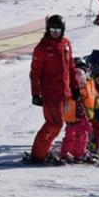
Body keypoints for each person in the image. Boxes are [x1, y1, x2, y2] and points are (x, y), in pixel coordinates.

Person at [25, 14, 77, 164]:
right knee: (54, 124)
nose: (55, 32)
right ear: (48, 29)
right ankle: (38, 154)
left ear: (63, 30)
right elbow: (34, 73)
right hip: (50, 93)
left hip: (64, 92)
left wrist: (74, 87)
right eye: (52, 29)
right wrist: (36, 93)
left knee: (64, 123)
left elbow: (71, 67)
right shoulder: (42, 48)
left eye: (58, 29)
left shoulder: (66, 44)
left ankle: (42, 152)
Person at [59, 60, 94, 162]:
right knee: (79, 137)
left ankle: (72, 153)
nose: (82, 85)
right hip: (77, 120)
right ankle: (74, 154)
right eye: (81, 82)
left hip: (74, 120)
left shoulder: (77, 93)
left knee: (75, 137)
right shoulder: (72, 94)